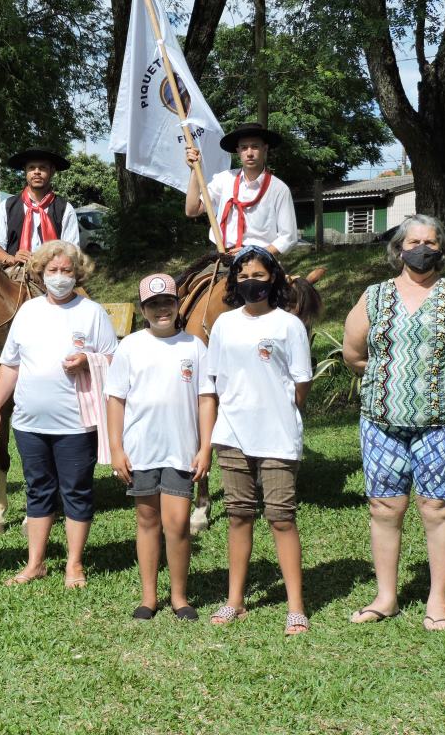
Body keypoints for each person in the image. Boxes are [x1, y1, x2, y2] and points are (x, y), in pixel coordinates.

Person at [343, 215, 445, 630]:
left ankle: (438, 599)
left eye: (430, 242)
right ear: (399, 249)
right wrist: (391, 381)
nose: (421, 248)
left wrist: (443, 382)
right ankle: (386, 597)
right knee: (384, 507)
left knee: (438, 507)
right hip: (381, 422)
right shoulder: (374, 297)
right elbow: (354, 355)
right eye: (413, 241)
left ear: (441, 249)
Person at [0, 241, 117, 588]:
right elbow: (10, 364)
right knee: (37, 489)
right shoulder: (28, 313)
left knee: (76, 490)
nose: (59, 277)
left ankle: (74, 564)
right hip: (29, 423)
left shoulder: (92, 313)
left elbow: (116, 361)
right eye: (52, 271)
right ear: (40, 273)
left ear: (78, 273)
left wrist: (89, 360)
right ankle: (35, 563)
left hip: (76, 423)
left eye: (66, 271)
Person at [205, 245, 312, 635]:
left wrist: (279, 410)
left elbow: (301, 384)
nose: (252, 283)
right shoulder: (224, 325)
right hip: (232, 434)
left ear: (274, 280)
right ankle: (235, 600)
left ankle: (296, 606)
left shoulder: (289, 325)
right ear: (234, 281)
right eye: (244, 276)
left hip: (278, 436)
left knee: (282, 518)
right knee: (238, 515)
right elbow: (213, 383)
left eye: (259, 276)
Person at [106, 273, 215, 621]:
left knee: (179, 523)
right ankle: (149, 597)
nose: (161, 309)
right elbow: (115, 400)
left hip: (181, 449)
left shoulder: (194, 347)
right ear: (143, 310)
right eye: (153, 304)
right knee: (147, 519)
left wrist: (206, 446)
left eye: (167, 302)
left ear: (177, 304)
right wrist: (116, 447)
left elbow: (206, 399)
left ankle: (180, 596)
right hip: (141, 451)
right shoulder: (130, 347)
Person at [184, 122, 297, 256]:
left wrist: (255, 253)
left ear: (265, 149)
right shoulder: (224, 179)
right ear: (238, 151)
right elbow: (192, 210)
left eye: (255, 147)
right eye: (244, 148)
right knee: (187, 277)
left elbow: (288, 237)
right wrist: (194, 171)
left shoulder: (279, 189)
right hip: (222, 256)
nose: (249, 153)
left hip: (260, 259)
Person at [0, 147, 81, 268]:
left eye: (42, 167)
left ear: (52, 171)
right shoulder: (7, 206)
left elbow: (72, 251)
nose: (37, 171)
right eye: (31, 167)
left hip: (54, 275)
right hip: (14, 273)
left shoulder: (65, 209)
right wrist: (11, 258)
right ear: (25, 171)